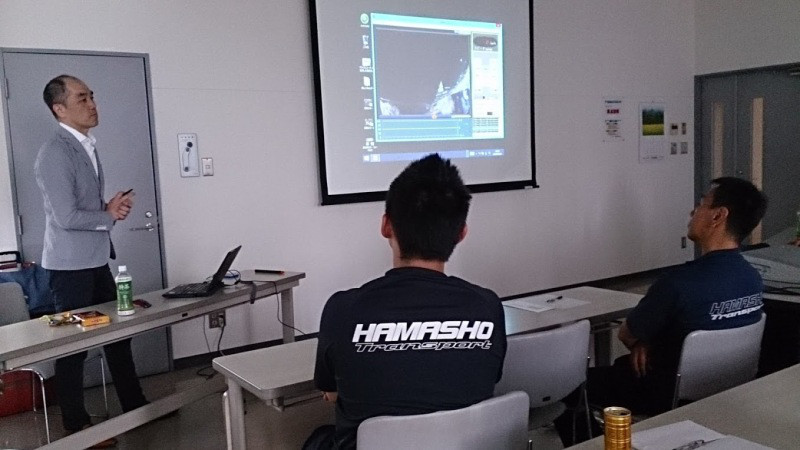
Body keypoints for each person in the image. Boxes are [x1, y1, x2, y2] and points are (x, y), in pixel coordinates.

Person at [307, 154, 507, 450]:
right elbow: (490, 379)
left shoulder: (342, 309)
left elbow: (331, 392)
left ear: (386, 226)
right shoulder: (488, 307)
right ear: (461, 233)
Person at [557, 177, 768, 443]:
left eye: (701, 204)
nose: (693, 212)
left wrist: (643, 341)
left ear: (718, 216)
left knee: (566, 386)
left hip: (661, 389)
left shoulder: (678, 283)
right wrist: (647, 341)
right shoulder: (752, 278)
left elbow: (626, 334)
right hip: (725, 386)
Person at [34, 75, 147, 447]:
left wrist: (107, 207)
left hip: (95, 260)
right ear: (60, 109)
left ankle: (135, 407)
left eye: (92, 96)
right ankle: (76, 425)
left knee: (117, 336)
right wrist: (107, 215)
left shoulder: (86, 146)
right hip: (69, 268)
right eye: (81, 98)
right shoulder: (55, 152)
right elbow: (66, 217)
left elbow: (82, 207)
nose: (92, 104)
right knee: (73, 348)